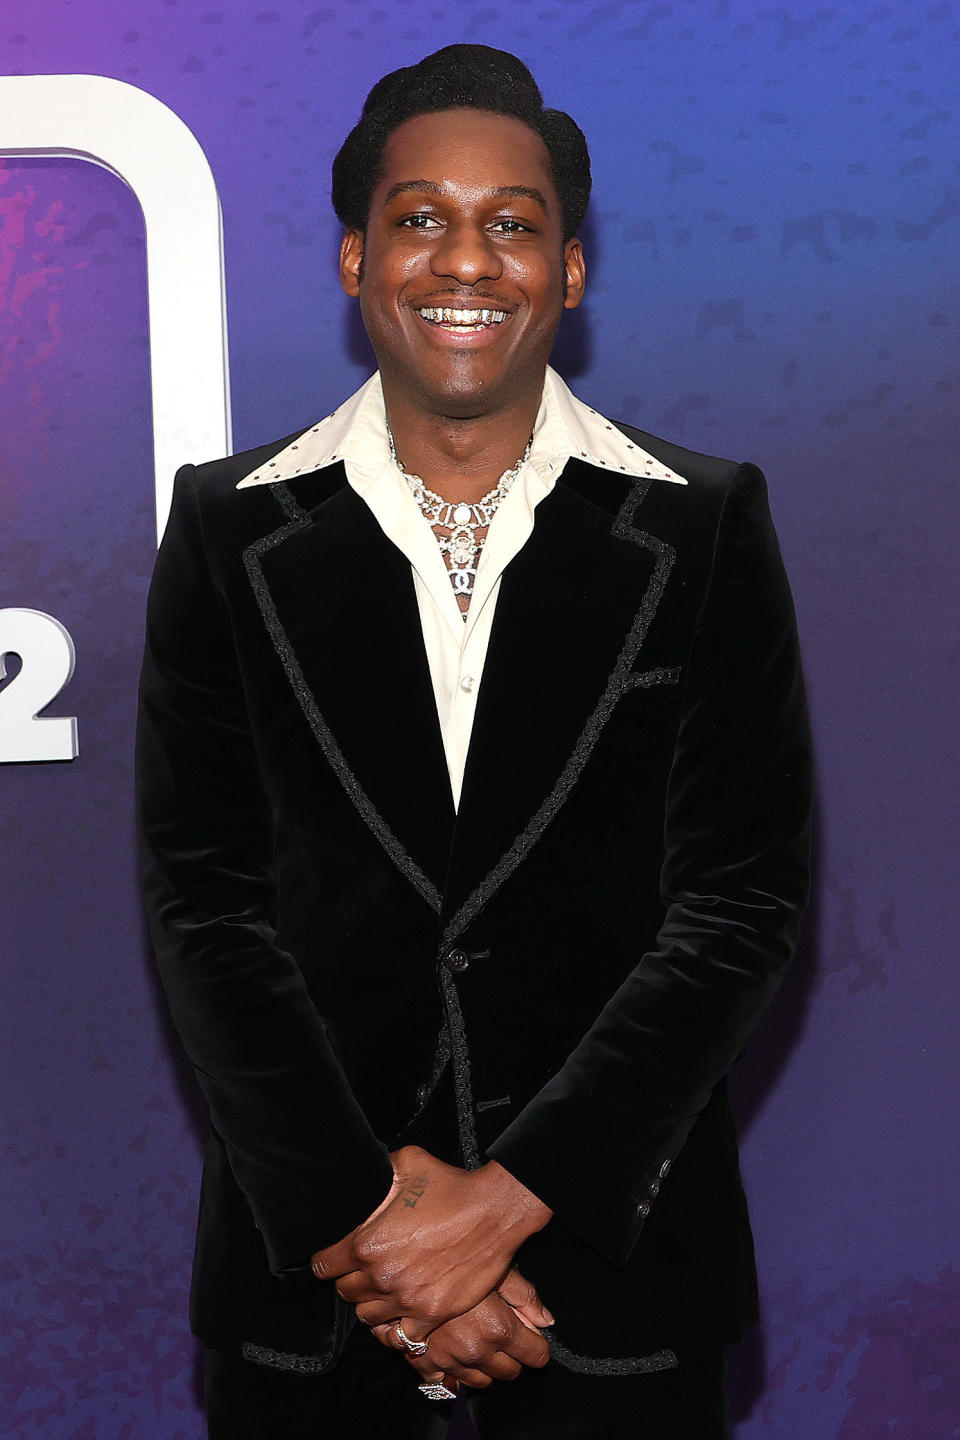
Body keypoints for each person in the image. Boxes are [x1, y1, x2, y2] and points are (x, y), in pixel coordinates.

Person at [136, 43, 813, 1440]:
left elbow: (740, 909)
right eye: (422, 217)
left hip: (612, 1296)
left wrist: (502, 1213)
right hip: (316, 1305)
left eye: (513, 222)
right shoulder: (227, 529)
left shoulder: (702, 525)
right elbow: (209, 913)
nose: (468, 257)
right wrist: (380, 1231)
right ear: (354, 258)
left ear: (569, 271)